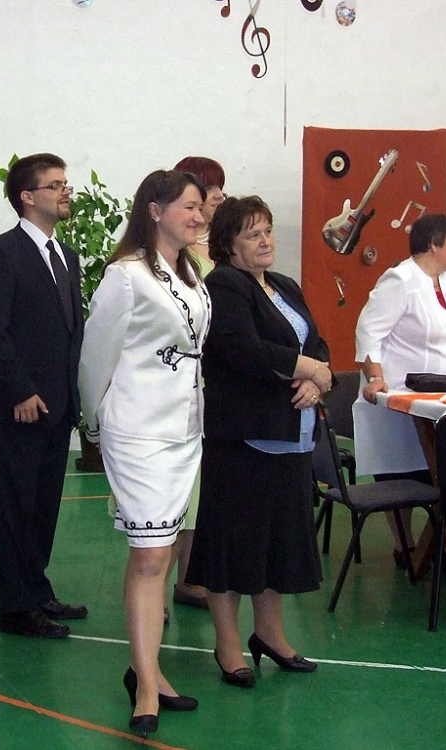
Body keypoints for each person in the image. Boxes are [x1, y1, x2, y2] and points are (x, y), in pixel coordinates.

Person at [79, 169, 210, 738]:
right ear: (155, 211)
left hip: (184, 430)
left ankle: (148, 671)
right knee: (151, 554)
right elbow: (95, 356)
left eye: (201, 207)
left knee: (161, 552)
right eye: (189, 206)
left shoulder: (192, 274)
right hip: (136, 430)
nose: (199, 216)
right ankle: (146, 687)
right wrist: (94, 420)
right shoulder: (126, 275)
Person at [186, 195, 330, 690]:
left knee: (278, 540)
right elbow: (241, 348)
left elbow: (316, 342)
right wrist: (310, 370)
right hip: (243, 437)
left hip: (291, 433)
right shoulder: (225, 284)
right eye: (253, 234)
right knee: (232, 543)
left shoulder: (285, 285)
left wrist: (316, 380)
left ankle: (269, 633)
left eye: (267, 230)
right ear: (228, 245)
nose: (266, 240)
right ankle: (228, 644)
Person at [0, 153, 87, 640]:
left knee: (43, 504)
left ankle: (37, 590)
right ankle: (16, 609)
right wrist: (20, 389)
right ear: (27, 196)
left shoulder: (67, 256)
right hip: (17, 406)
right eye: (55, 185)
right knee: (13, 506)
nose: (65, 192)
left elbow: (70, 332)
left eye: (65, 184)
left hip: (58, 404)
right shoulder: (1, 253)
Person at [354, 214, 446, 561]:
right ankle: (405, 546)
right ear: (434, 245)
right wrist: (375, 377)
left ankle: (443, 541)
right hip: (400, 391)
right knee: (401, 467)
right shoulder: (400, 279)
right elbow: (369, 332)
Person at [166, 156, 227, 612]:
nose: (219, 197)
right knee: (173, 493)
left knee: (202, 492)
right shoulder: (177, 255)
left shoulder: (218, 250)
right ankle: (155, 588)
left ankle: (190, 579)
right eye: (211, 190)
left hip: (216, 384)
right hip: (180, 384)